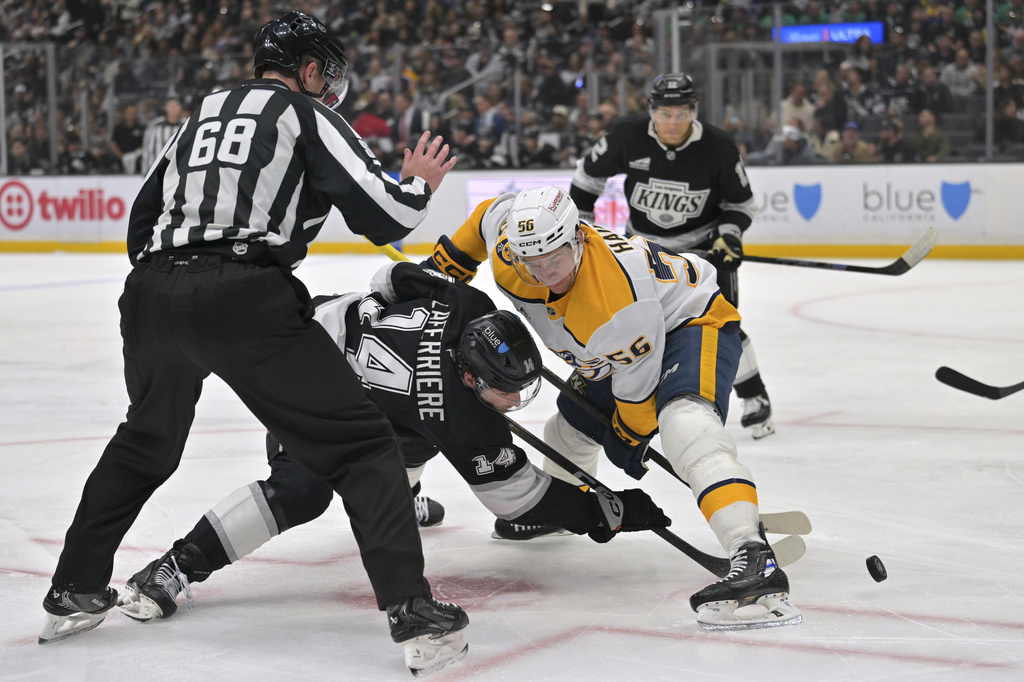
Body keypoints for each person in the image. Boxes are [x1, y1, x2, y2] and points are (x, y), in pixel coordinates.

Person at [39, 11, 467, 677]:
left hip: (152, 293)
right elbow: (388, 216)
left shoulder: (204, 111)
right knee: (361, 448)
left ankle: (73, 587)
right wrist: (420, 183)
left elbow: (142, 220)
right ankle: (411, 610)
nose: (330, 86)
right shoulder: (304, 114)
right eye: (326, 70)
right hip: (244, 297)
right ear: (303, 68)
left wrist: (178, 280)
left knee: (144, 443)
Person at [116, 261, 668, 620]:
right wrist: (605, 511)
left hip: (320, 329)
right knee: (300, 491)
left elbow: (392, 279)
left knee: (407, 430)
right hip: (301, 380)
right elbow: (517, 498)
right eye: (506, 392)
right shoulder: (464, 417)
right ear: (472, 378)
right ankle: (175, 566)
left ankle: (400, 497)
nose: (514, 403)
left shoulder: (468, 308)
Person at [425, 186, 801, 630]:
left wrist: (628, 437)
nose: (546, 274)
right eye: (535, 263)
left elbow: (637, 407)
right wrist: (443, 270)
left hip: (689, 321)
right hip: (611, 347)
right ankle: (555, 517)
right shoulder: (510, 243)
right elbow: (488, 214)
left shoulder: (616, 302)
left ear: (578, 239)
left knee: (684, 424)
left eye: (556, 259)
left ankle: (752, 554)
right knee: (566, 432)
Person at [568, 73, 775, 439]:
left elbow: (739, 204)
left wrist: (728, 236)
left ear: (693, 111)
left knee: (721, 326)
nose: (673, 122)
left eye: (681, 113)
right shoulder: (628, 136)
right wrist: (582, 228)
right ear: (651, 112)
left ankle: (755, 397)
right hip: (643, 253)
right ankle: (627, 401)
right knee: (634, 325)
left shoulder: (718, 146)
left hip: (703, 255)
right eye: (665, 114)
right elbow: (586, 180)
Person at [139, 95, 186, 172]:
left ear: (181, 107)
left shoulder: (187, 125)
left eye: (176, 105)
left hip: (180, 171)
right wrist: (146, 171)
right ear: (166, 107)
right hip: (158, 171)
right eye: (170, 105)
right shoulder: (155, 125)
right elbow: (147, 148)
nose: (173, 108)